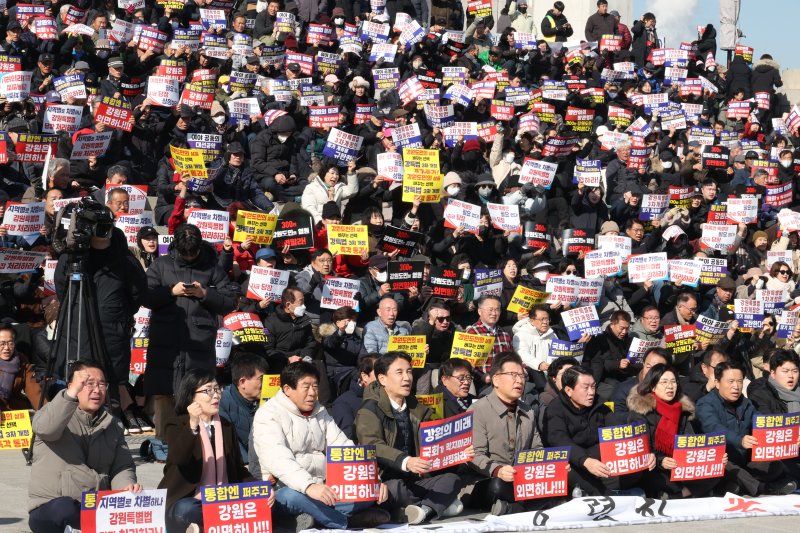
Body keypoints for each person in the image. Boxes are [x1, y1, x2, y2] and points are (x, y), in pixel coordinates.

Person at [252, 361, 390, 530]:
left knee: (366, 494)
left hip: (322, 488)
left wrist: (371, 480)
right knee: (292, 497)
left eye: (315, 386)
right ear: (287, 389)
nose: (312, 393)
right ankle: (346, 522)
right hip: (286, 489)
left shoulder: (320, 411)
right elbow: (278, 459)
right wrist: (309, 486)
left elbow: (343, 445)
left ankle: (310, 518)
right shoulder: (268, 414)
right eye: (306, 387)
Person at [143, 223, 237, 438]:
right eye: (185, 254)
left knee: (199, 395)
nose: (189, 257)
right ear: (176, 246)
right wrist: (170, 292)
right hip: (166, 343)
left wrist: (204, 294)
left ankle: (199, 441)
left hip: (199, 344)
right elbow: (146, 297)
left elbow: (230, 301)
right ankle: (164, 444)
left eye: (192, 254)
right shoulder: (161, 265)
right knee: (164, 397)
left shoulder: (212, 268)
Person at [355, 352, 468, 525]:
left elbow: (436, 440)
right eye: (399, 372)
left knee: (452, 480)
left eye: (409, 371)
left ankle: (422, 511)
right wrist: (406, 461)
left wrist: (459, 450)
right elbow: (372, 444)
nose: (407, 378)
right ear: (382, 379)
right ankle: (435, 505)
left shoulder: (418, 408)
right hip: (384, 481)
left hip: (415, 480)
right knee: (395, 488)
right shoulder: (369, 409)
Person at [28, 362, 140, 533]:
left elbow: (122, 466)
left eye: (101, 384)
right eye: (89, 384)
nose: (97, 390)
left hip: (94, 507)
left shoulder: (113, 424)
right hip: (50, 508)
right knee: (64, 508)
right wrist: (70, 395)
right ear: (72, 387)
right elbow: (46, 429)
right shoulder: (51, 414)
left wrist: (127, 487)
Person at [158, 368, 262, 532]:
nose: (216, 395)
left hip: (223, 496)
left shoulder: (226, 426)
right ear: (191, 396)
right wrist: (193, 426)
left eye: (217, 389)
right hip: (188, 498)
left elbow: (237, 469)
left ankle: (208, 524)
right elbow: (179, 458)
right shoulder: (176, 423)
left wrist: (261, 489)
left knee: (265, 504)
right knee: (186, 509)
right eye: (208, 390)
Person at [468, 352, 562, 515]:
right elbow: (474, 455)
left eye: (522, 376)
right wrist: (498, 470)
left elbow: (536, 449)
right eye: (513, 375)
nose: (519, 380)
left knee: (558, 482)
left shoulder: (528, 411)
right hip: (486, 479)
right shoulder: (478, 410)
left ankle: (513, 508)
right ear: (496, 380)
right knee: (498, 486)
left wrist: (552, 467)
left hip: (520, 478)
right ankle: (529, 506)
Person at [544, 366, 655, 495]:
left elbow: (617, 431)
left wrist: (645, 452)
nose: (591, 392)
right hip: (575, 462)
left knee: (637, 471)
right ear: (569, 390)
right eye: (586, 387)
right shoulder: (555, 409)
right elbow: (559, 440)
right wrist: (585, 461)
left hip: (601, 460)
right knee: (566, 468)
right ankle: (604, 495)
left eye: (593, 386)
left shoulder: (599, 404)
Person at [696, 362, 797, 496]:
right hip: (721, 460)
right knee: (728, 466)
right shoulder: (705, 404)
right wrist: (740, 440)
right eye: (731, 381)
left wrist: (791, 434)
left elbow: (762, 423)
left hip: (744, 458)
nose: (736, 386)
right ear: (717, 383)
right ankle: (763, 488)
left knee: (775, 465)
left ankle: (739, 486)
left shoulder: (746, 403)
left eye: (739, 381)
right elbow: (713, 427)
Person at [627, 364, 725, 498]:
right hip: (654, 467)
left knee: (716, 471)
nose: (670, 386)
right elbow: (640, 450)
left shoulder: (682, 410)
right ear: (653, 386)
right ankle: (680, 493)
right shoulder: (641, 412)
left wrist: (713, 456)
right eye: (664, 382)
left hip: (679, 464)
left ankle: (682, 493)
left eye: (673, 382)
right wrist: (661, 461)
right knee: (656, 479)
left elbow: (691, 443)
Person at [219, 353, 269, 463]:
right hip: (239, 465)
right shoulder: (221, 401)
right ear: (242, 382)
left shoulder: (269, 401)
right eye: (261, 379)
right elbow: (228, 439)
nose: (266, 383)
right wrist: (246, 464)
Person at [263, 286, 318, 371]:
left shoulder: (305, 320)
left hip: (301, 363)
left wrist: (306, 356)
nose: (304, 306)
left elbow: (310, 343)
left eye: (304, 302)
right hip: (279, 365)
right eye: (300, 302)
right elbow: (267, 349)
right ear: (288, 305)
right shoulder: (270, 321)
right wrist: (287, 359)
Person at [611, 347, 672, 420]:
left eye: (657, 369)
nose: (651, 372)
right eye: (648, 367)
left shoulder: (672, 388)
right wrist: (638, 418)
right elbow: (616, 416)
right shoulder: (624, 388)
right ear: (643, 364)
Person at [465, 295, 513, 386]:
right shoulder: (472, 333)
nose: (494, 313)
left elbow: (510, 358)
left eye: (497, 310)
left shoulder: (504, 334)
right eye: (490, 310)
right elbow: (465, 363)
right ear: (479, 311)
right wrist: (483, 376)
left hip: (505, 381)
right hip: (482, 384)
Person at [331, 354, 378, 440]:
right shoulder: (343, 403)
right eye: (380, 372)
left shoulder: (394, 397)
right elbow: (348, 438)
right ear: (365, 376)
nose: (385, 377)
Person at [0, 323, 41, 411]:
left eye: (10, 343)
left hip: (15, 409)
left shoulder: (21, 360)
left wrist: (45, 410)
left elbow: (33, 388)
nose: (6, 348)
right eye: (2, 344)